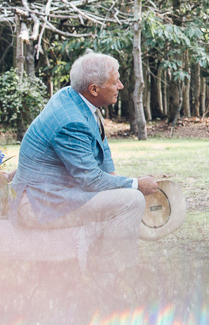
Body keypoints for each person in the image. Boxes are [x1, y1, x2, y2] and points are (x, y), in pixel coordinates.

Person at [11, 52, 159, 271]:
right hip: (41, 204)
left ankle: (109, 260)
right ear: (94, 89)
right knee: (132, 200)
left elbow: (101, 144)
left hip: (54, 191)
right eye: (114, 81)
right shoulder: (70, 121)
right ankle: (113, 270)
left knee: (123, 193)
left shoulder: (74, 97)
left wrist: (116, 179)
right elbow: (90, 181)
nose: (121, 85)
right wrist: (136, 184)